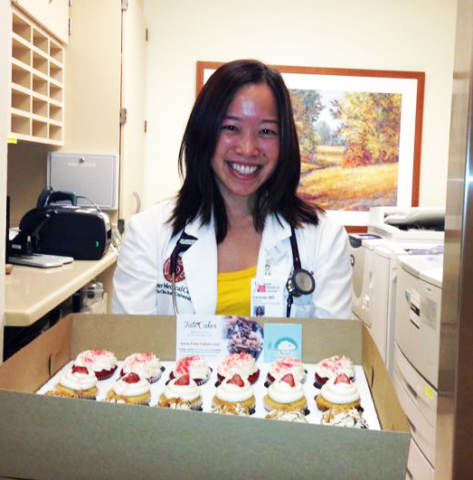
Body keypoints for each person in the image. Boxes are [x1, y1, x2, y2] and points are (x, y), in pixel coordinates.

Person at [112, 59, 352, 319]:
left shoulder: (324, 238)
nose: (248, 149)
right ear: (204, 131)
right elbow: (133, 350)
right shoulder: (148, 234)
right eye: (230, 127)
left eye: (267, 131)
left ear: (285, 142)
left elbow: (333, 352)